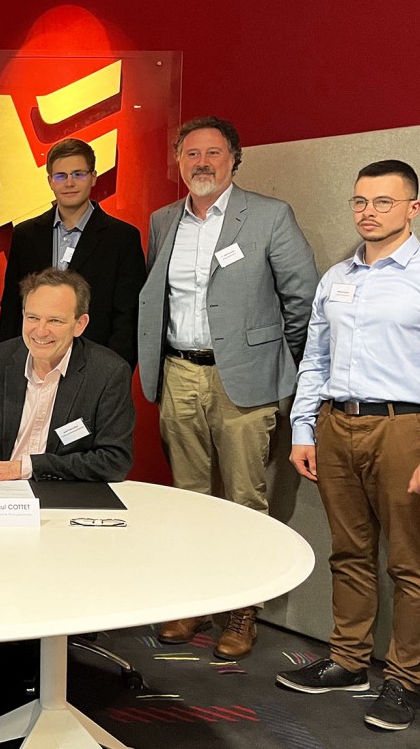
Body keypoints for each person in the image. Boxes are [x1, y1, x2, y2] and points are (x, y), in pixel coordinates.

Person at [276, 160, 420, 731]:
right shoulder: (337, 278)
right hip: (336, 424)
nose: (369, 212)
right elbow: (315, 359)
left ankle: (406, 680)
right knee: (348, 553)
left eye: (384, 202)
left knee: (411, 563)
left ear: (413, 208)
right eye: (360, 202)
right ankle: (348, 661)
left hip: (408, 429)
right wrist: (303, 429)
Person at [136, 116, 319, 659]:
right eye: (190, 154)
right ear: (178, 161)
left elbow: (302, 300)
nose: (201, 163)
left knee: (244, 499)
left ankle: (242, 610)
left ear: (235, 159)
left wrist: (271, 358)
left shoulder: (267, 215)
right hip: (179, 372)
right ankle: (194, 599)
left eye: (213, 153)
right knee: (188, 497)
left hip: (244, 376)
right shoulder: (163, 220)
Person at [0, 268, 134, 486]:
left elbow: (114, 460)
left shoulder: (108, 372)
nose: (40, 331)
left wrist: (27, 467)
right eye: (33, 317)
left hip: (65, 492)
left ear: (80, 324)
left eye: (55, 321)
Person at [0, 137, 145, 369]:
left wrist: (118, 369)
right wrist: (6, 364)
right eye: (61, 176)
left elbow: (127, 314)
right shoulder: (25, 235)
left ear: (93, 177)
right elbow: (12, 308)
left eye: (78, 174)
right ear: (50, 181)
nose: (69, 183)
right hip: (35, 360)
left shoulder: (122, 237)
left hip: (95, 363)